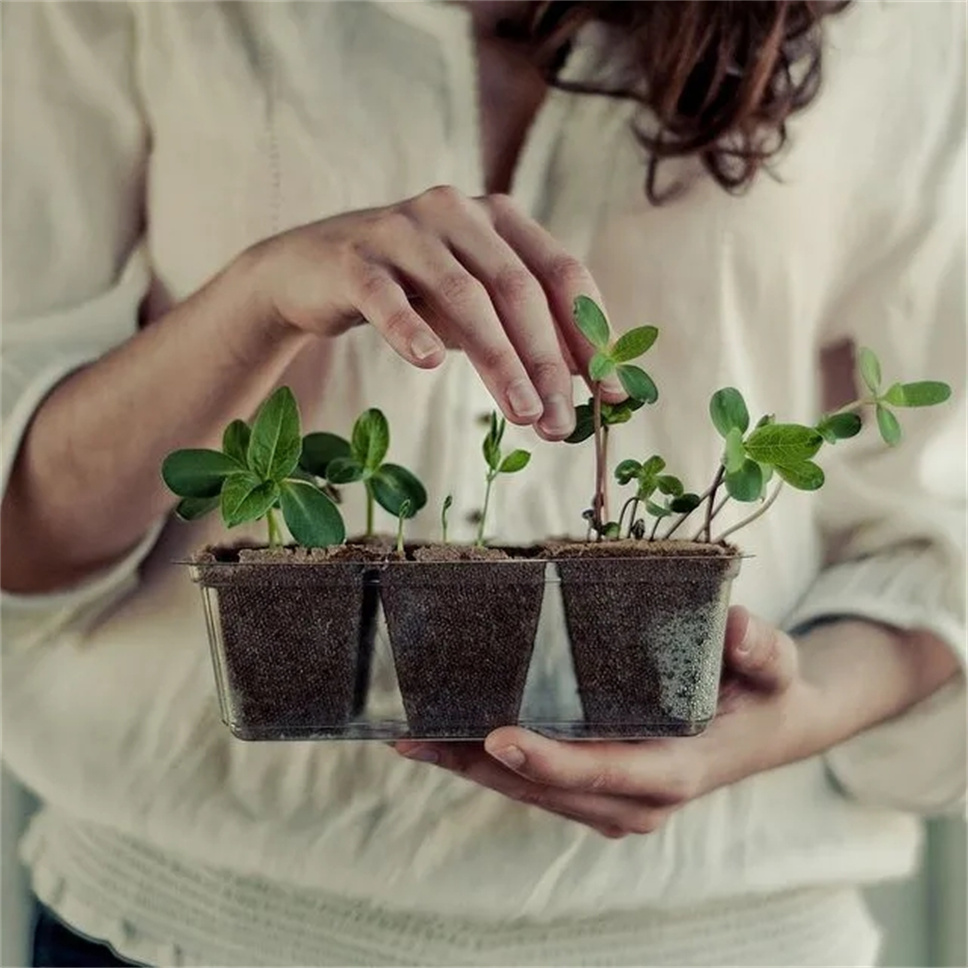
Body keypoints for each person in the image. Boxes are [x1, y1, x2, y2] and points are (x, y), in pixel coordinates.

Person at [2, 1, 965, 965]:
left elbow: (943, 529)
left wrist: (783, 718)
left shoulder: (900, 24)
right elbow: (21, 537)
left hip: (723, 922)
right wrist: (259, 297)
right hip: (174, 918)